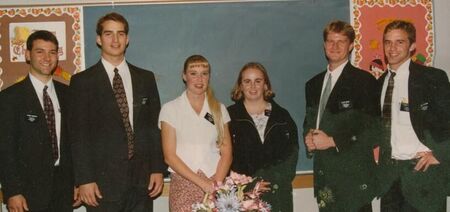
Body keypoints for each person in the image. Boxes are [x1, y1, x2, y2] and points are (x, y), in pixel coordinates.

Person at [69, 12, 166, 211]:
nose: (115, 40)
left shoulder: (145, 78)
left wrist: (157, 169)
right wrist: (84, 179)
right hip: (102, 185)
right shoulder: (82, 82)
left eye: (120, 34)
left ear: (127, 39)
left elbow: (153, 129)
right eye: (108, 34)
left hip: (141, 182)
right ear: (98, 39)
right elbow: (78, 135)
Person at [303, 20, 379, 211]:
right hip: (324, 178)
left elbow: (374, 130)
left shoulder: (364, 81)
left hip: (353, 180)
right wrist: (309, 138)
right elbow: (310, 121)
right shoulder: (312, 84)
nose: (335, 46)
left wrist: (333, 141)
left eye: (341, 41)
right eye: (330, 41)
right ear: (324, 45)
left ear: (351, 45)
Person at [0, 30, 80, 212]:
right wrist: (12, 191)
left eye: (52, 52)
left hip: (63, 188)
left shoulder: (68, 94)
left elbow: (74, 142)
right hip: (27, 193)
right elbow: (5, 150)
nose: (47, 58)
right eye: (40, 51)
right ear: (27, 55)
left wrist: (78, 181)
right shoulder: (9, 98)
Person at [377, 20, 450, 212]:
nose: (392, 48)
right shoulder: (378, 84)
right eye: (387, 42)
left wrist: (440, 153)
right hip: (390, 180)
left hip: (423, 176)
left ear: (412, 46)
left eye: (399, 42)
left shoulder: (432, 78)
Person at [159, 55, 232, 211]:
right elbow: (169, 156)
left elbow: (227, 153)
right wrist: (202, 183)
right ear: (184, 76)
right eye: (193, 73)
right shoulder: (170, 109)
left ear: (209, 77)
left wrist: (216, 186)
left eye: (204, 73)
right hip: (183, 184)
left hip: (214, 182)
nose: (199, 79)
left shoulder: (219, 109)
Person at [227, 62, 299, 212]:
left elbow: (292, 153)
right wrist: (251, 183)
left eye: (258, 81)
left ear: (266, 85)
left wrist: (272, 179)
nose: (253, 86)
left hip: (277, 193)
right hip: (243, 195)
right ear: (240, 86)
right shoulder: (229, 116)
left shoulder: (282, 116)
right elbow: (224, 156)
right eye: (247, 81)